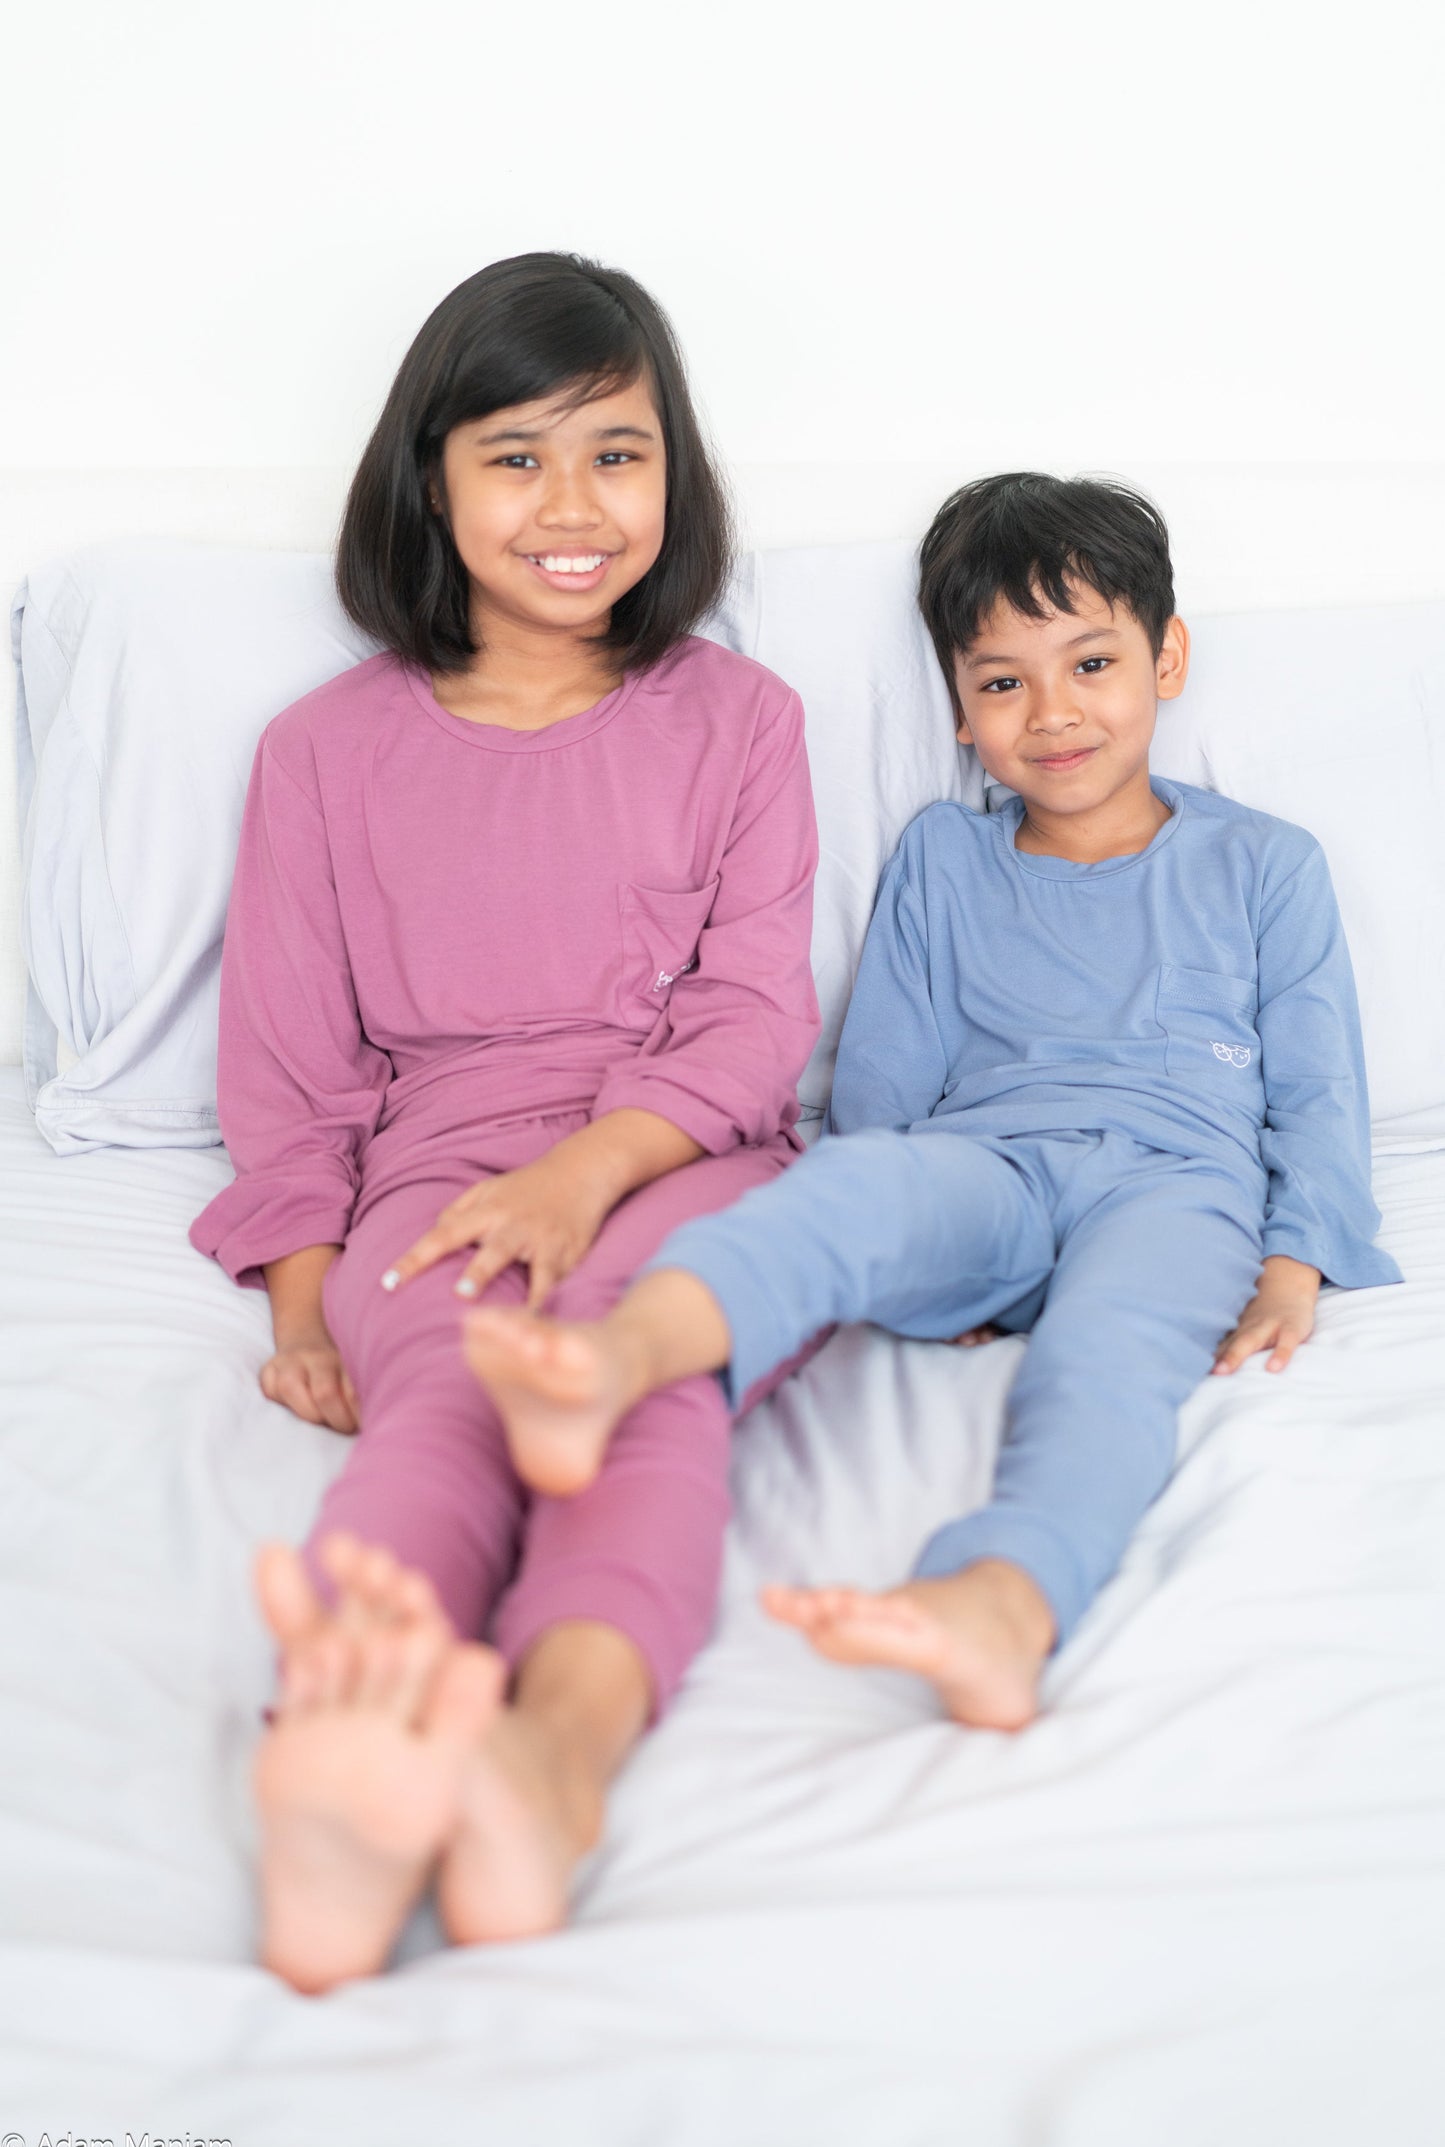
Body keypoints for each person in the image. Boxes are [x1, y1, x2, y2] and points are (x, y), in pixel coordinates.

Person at [461, 470, 1402, 1737]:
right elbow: (882, 1089)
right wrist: (911, 1250)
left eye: (1090, 664)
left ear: (1165, 658)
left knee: (1106, 1356)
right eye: (1002, 682)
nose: (1052, 713)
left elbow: (1319, 1090)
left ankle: (1001, 1601)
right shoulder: (942, 856)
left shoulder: (1262, 863)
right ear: (958, 709)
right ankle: (616, 1358)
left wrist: (1293, 1264)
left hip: (1174, 1186)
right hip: (986, 1167)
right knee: (844, 1189)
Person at [189, 253, 820, 1990]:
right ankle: (344, 1752)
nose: (573, 505)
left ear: (674, 474)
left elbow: (754, 1016)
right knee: (446, 1403)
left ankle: (551, 1761)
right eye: (517, 456)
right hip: (441, 1173)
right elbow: (292, 1074)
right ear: (431, 479)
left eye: (617, 453)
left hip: (681, 1152)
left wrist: (585, 1175)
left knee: (629, 1377)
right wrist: (310, 1307)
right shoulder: (323, 753)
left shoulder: (742, 721)